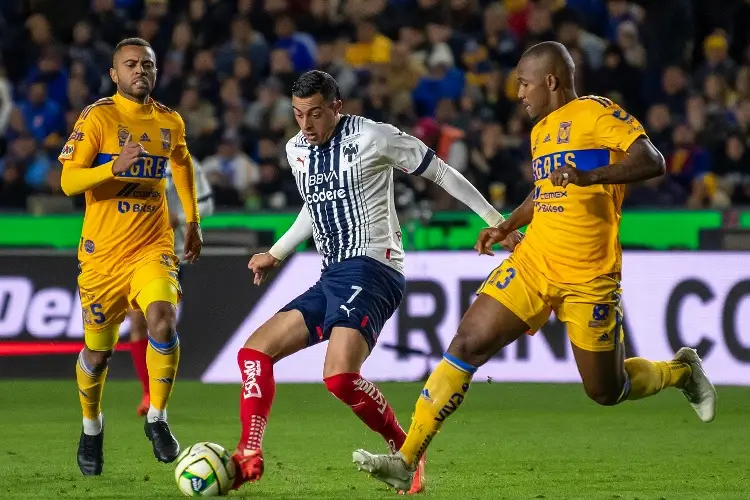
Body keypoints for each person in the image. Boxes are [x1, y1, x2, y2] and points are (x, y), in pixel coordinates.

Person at [351, 41, 718, 491]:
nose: (519, 93)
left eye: (524, 84)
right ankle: (407, 460)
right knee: (467, 342)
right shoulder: (540, 131)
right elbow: (544, 191)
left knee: (605, 390)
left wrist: (590, 177)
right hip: (534, 262)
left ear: (551, 81)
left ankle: (680, 371)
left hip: (589, 276)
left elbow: (652, 161)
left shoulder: (597, 113)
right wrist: (507, 226)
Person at [230, 70, 523, 495]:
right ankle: (249, 452)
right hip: (331, 274)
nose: (306, 125)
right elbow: (314, 207)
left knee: (338, 376)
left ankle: (406, 452)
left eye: (314, 114)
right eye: (297, 115)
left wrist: (498, 222)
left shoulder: (375, 136)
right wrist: (277, 253)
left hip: (374, 267)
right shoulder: (297, 150)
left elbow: (441, 172)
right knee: (253, 353)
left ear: (336, 107)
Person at [59, 37, 203, 476]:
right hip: (102, 256)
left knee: (163, 317)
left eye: (147, 64)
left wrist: (192, 220)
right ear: (115, 74)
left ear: (155, 72)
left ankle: (157, 418)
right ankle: (91, 426)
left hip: (151, 246)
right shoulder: (99, 117)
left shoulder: (169, 121)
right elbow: (67, 181)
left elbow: (181, 162)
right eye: (130, 64)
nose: (140, 70)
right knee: (98, 353)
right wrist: (112, 167)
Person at [128, 158, 214, 416]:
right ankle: (148, 393)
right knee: (137, 321)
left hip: (168, 252)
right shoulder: (127, 158)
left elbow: (207, 204)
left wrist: (181, 216)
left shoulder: (183, 163)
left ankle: (159, 391)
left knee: (161, 323)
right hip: (131, 249)